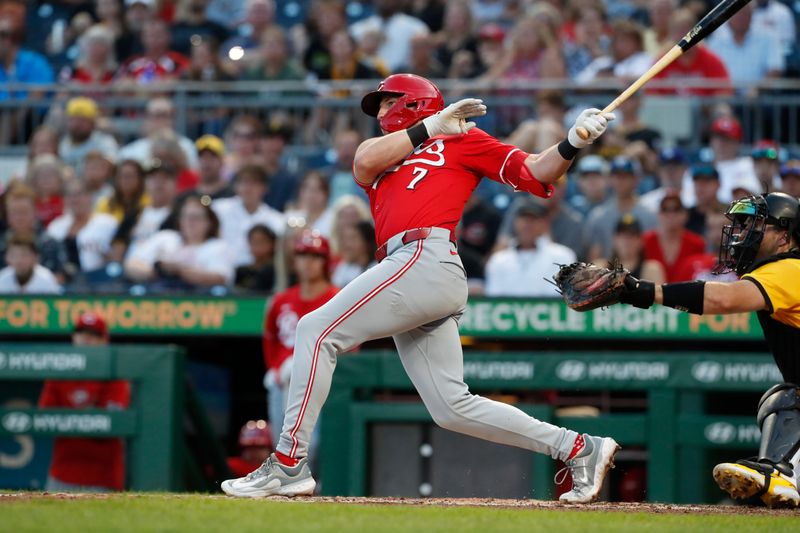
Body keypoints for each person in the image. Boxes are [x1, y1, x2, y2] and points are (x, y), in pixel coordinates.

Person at [221, 73, 620, 503]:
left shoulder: (465, 141)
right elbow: (362, 163)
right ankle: (579, 448)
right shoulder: (386, 150)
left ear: (412, 103)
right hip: (408, 268)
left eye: (387, 103)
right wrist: (432, 127)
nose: (379, 113)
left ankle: (288, 464)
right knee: (451, 407)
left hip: (424, 256)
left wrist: (574, 142)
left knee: (315, 331)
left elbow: (535, 171)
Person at [608, 192, 800, 508]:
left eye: (754, 225)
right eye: (740, 224)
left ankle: (779, 472)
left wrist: (644, 291)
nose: (742, 233)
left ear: (783, 236)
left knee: (786, 401)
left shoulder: (789, 266)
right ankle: (781, 479)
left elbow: (723, 299)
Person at [260, 231, 338, 447]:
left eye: (315, 256)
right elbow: (270, 339)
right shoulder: (281, 300)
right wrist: (275, 367)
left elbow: (352, 344)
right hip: (283, 381)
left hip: (320, 380)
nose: (308, 262)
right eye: (303, 256)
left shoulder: (336, 297)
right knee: (281, 441)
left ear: (325, 261)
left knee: (314, 447)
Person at [38, 312, 129, 492]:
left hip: (103, 478)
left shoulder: (116, 375)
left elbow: (109, 426)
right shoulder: (59, 373)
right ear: (73, 337)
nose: (86, 338)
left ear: (105, 341)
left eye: (94, 334)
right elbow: (45, 418)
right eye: (81, 332)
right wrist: (87, 416)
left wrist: (69, 419)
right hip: (62, 473)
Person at [124, 194, 235, 290]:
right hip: (158, 297)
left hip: (198, 301)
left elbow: (220, 278)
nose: (190, 222)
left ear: (210, 222)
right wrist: (157, 271)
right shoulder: (165, 237)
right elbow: (131, 264)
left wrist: (179, 270)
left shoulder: (217, 246)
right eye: (186, 217)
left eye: (196, 217)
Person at [485, 199, 576, 296]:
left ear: (545, 224)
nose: (527, 225)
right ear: (515, 222)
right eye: (523, 219)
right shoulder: (499, 260)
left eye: (533, 220)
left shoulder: (562, 256)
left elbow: (561, 297)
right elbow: (494, 298)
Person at [642, 193, 705, 283]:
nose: (671, 214)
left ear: (685, 215)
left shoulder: (697, 243)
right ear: (659, 214)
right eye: (665, 209)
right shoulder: (645, 241)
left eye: (676, 209)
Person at [57, 97, 118, 174]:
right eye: (74, 119)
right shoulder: (63, 142)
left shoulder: (104, 142)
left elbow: (112, 164)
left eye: (82, 120)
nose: (77, 124)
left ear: (92, 123)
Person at [331, 221, 376, 288]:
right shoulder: (344, 266)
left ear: (367, 242)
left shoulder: (377, 268)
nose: (346, 244)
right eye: (344, 239)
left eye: (352, 238)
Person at [234, 224, 276, 293]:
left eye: (262, 241)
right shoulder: (242, 271)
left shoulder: (277, 270)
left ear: (273, 243)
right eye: (254, 242)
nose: (257, 246)